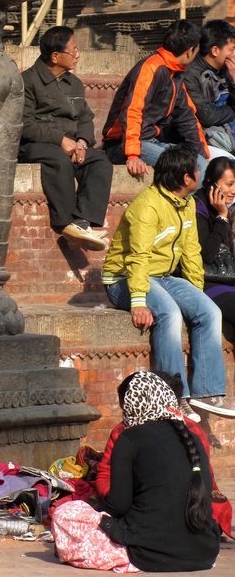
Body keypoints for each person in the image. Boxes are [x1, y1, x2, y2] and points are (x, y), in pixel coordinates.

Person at [102, 144, 235, 419]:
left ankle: (208, 391)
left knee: (210, 311)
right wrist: (138, 301)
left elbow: (191, 253)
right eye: (197, 170)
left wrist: (196, 293)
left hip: (163, 277)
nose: (200, 172)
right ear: (186, 178)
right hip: (124, 278)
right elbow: (136, 257)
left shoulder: (186, 204)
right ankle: (174, 396)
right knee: (170, 314)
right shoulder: (146, 206)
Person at [51, 371, 221, 572]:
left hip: (147, 553)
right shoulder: (192, 436)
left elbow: (119, 506)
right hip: (204, 553)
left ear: (132, 404)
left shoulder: (129, 437)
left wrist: (104, 517)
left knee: (65, 514)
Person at [94, 370, 233, 539]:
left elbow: (118, 504)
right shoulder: (193, 434)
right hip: (198, 530)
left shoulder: (126, 435)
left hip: (151, 529)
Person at [19, 25, 113, 250]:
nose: (78, 55)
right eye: (73, 51)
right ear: (55, 56)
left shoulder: (75, 83)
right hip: (36, 144)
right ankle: (65, 222)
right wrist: (61, 140)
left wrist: (81, 142)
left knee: (101, 163)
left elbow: (85, 118)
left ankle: (82, 221)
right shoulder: (28, 81)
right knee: (59, 161)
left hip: (72, 143)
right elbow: (25, 124)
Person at [102, 19, 209, 180]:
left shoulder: (176, 73)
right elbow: (133, 111)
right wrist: (132, 154)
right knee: (189, 172)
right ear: (189, 51)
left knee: (203, 166)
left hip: (153, 141)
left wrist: (203, 153)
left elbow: (187, 116)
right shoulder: (151, 68)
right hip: (124, 144)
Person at [194, 156, 235, 333]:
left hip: (228, 278)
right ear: (212, 183)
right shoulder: (197, 207)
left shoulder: (225, 208)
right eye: (229, 184)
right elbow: (207, 255)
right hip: (206, 282)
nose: (233, 190)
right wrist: (222, 217)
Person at [183, 19, 235, 159]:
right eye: (231, 49)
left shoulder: (228, 69)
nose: (233, 54)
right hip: (205, 142)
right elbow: (208, 116)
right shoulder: (191, 75)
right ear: (215, 50)